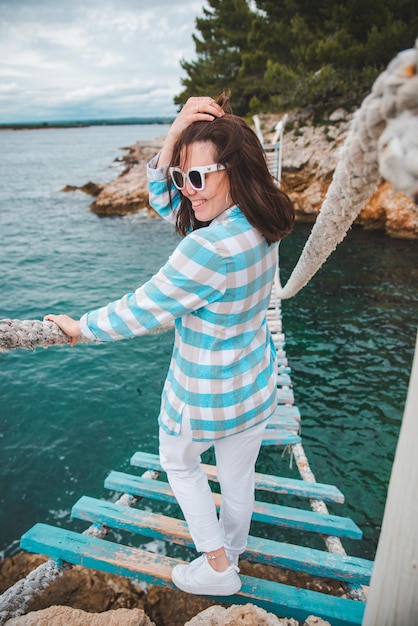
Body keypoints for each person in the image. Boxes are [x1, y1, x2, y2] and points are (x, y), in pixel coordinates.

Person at [45, 93, 294, 596]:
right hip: (255, 382)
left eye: (198, 177)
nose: (187, 191)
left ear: (232, 171)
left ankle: (219, 567)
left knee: (178, 461)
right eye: (182, 176)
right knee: (237, 475)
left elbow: (142, 307)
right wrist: (178, 134)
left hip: (204, 392)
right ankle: (236, 550)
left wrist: (81, 327)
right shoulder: (264, 217)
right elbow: (169, 202)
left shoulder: (207, 248)